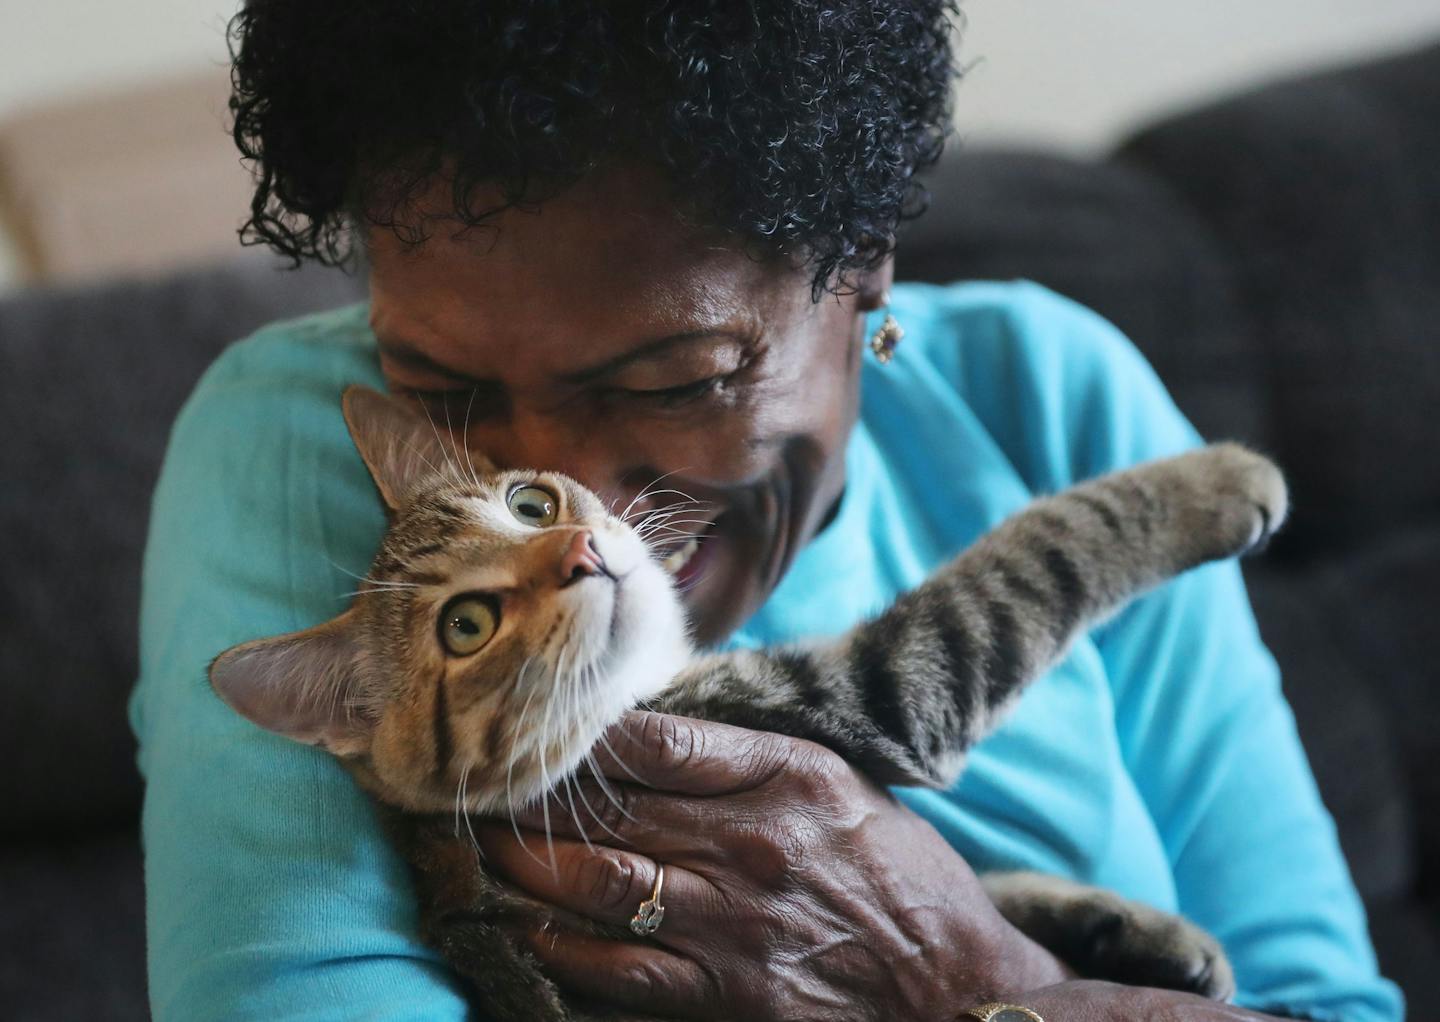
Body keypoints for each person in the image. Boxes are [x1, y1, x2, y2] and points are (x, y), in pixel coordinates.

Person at [131, 2, 1402, 1019]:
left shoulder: (1053, 391)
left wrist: (987, 983)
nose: (584, 503)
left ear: (864, 269)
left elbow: (1324, 1002)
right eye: (447, 388)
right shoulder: (293, 438)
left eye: (677, 378)